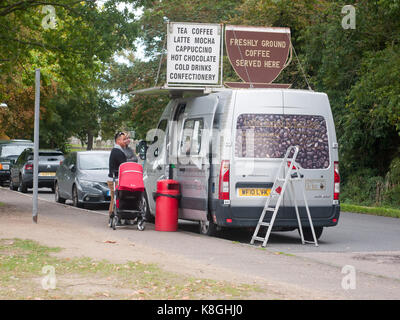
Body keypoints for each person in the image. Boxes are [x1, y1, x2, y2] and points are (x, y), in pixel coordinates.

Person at [108, 131, 127, 219]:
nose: (125, 141)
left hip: (113, 178)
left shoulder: (117, 150)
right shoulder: (118, 152)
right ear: (118, 141)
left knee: (114, 198)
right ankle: (113, 216)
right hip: (115, 179)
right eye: (124, 139)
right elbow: (124, 165)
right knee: (115, 198)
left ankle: (112, 216)